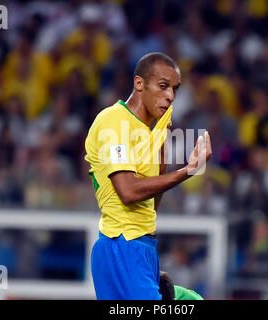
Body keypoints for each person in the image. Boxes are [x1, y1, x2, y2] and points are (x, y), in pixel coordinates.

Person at [84, 52, 212, 300]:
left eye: (175, 89)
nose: (170, 96)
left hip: (143, 250)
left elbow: (150, 206)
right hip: (120, 245)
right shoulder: (113, 121)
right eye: (163, 86)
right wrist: (187, 171)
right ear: (139, 83)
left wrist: (160, 152)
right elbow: (129, 192)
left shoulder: (151, 133)